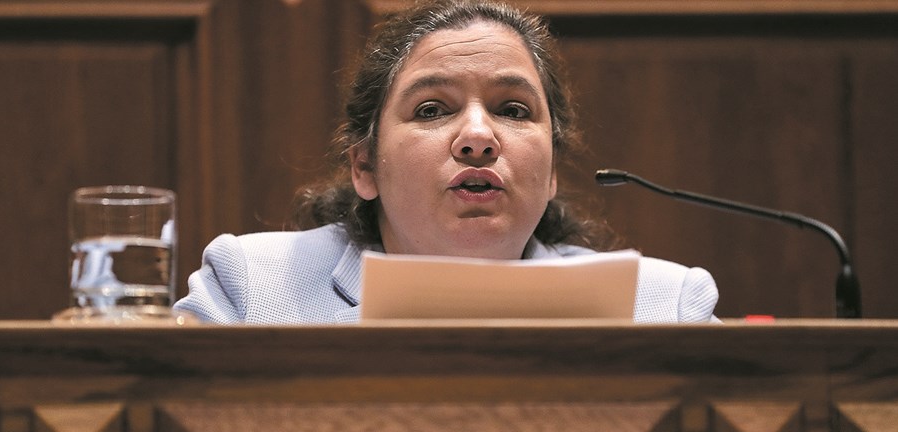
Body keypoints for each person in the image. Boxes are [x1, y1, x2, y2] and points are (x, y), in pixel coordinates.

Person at [174, 0, 719, 324]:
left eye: (513, 109)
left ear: (552, 172)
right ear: (364, 166)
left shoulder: (663, 307)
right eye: (432, 109)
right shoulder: (252, 289)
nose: (478, 138)